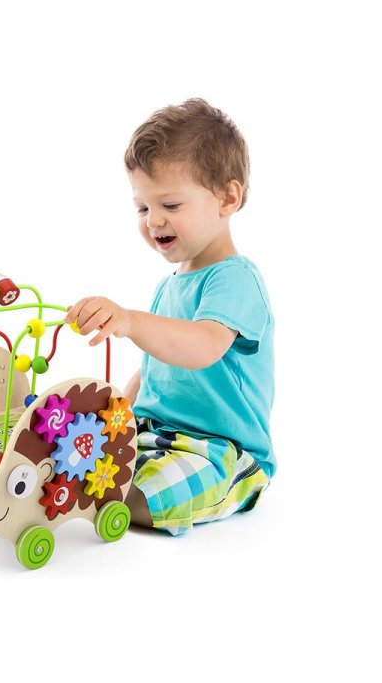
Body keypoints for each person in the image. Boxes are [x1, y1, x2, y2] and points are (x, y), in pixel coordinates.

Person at [65, 99, 274, 536]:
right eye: (142, 208)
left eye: (171, 205)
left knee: (139, 493)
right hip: (155, 433)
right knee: (77, 453)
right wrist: (119, 411)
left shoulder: (236, 279)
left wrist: (130, 321)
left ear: (227, 198)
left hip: (220, 451)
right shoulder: (169, 285)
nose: (153, 220)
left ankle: (101, 496)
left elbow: (201, 346)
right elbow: (153, 367)